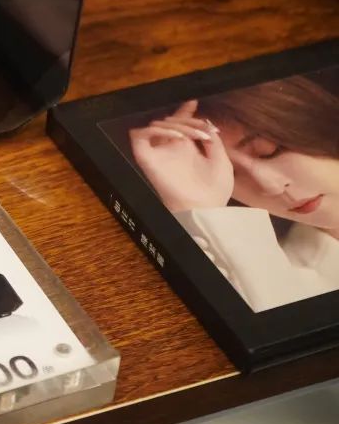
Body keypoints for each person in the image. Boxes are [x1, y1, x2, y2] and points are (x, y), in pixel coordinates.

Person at [128, 74, 339, 312]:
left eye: (270, 151)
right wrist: (199, 206)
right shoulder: (278, 281)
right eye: (232, 174)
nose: (271, 186)